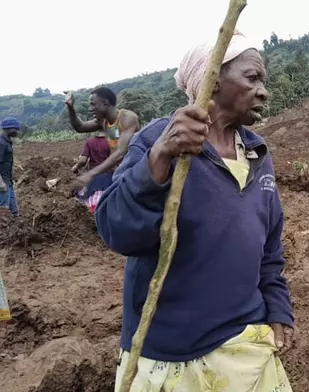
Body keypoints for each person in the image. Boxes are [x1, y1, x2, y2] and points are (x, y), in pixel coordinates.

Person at [94, 32, 294, 392]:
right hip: (170, 352)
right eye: (252, 78)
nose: (263, 90)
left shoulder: (258, 154)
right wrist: (159, 158)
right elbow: (116, 231)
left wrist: (278, 308)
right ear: (213, 80)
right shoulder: (159, 140)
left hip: (245, 340)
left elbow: (269, 249)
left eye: (263, 81)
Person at [64, 86, 140, 190]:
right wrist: (71, 108)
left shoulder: (127, 118)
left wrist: (91, 173)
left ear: (105, 103)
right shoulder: (104, 121)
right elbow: (80, 127)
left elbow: (121, 152)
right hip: (119, 174)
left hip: (135, 174)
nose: (90, 108)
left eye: (93, 104)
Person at [71, 131, 113, 213]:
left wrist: (75, 167)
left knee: (80, 194)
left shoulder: (90, 142)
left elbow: (83, 161)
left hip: (93, 178)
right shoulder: (112, 142)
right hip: (108, 179)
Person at [0, 117, 20, 216]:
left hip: (8, 182)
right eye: (15, 129)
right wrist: (1, 183)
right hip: (3, 184)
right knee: (4, 212)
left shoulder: (7, 142)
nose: (17, 131)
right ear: (8, 129)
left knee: (14, 212)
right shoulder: (1, 143)